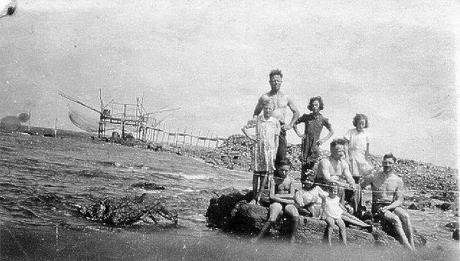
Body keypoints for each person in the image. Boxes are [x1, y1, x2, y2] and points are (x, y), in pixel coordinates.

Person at [360, 153, 415, 251]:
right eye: (385, 162)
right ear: (382, 163)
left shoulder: (398, 180)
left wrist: (389, 207)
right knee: (396, 219)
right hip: (378, 206)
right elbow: (360, 186)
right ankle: (408, 248)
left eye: (390, 163)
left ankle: (413, 246)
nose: (387, 165)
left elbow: (399, 200)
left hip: (391, 205)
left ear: (394, 164)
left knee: (406, 216)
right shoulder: (374, 176)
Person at [253, 69, 300, 167]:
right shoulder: (264, 97)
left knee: (281, 156)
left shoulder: (286, 97)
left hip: (281, 128)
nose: (276, 82)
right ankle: (265, 181)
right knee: (267, 156)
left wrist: (290, 125)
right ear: (270, 82)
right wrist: (258, 128)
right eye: (273, 80)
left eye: (278, 80)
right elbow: (256, 114)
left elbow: (296, 112)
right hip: (267, 128)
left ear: (281, 82)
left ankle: (278, 181)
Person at [242, 99, 280, 204]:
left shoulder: (275, 122)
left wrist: (275, 153)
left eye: (270, 109)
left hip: (269, 150)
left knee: (265, 174)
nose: (267, 110)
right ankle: (254, 197)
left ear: (273, 110)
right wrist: (251, 137)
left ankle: (259, 196)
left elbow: (276, 139)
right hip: (259, 148)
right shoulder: (258, 119)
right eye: (266, 108)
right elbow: (244, 128)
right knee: (256, 173)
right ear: (263, 109)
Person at [254, 159, 299, 243]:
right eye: (282, 170)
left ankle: (292, 239)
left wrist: (277, 196)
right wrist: (284, 200)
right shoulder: (274, 180)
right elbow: (271, 196)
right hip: (278, 203)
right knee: (272, 218)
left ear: (289, 169)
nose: (284, 173)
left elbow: (292, 195)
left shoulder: (291, 180)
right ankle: (258, 237)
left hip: (287, 203)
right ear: (278, 168)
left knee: (296, 216)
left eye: (286, 170)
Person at [293, 96, 334, 187]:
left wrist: (323, 140)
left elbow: (331, 131)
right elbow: (294, 123)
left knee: (312, 168)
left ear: (320, 106)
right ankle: (303, 188)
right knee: (304, 167)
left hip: (315, 145)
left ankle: (312, 188)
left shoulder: (323, 119)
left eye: (316, 105)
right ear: (310, 107)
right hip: (305, 145)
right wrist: (299, 134)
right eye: (313, 105)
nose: (314, 107)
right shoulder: (306, 117)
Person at [343, 113, 373, 214]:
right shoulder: (351, 132)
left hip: (361, 157)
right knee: (351, 178)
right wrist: (346, 156)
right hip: (352, 156)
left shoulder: (366, 134)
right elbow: (346, 145)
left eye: (363, 123)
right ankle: (348, 201)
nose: (361, 125)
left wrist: (366, 160)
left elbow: (367, 149)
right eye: (359, 123)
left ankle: (358, 202)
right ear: (356, 123)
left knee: (361, 180)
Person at [314, 139, 356, 208]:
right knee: (336, 186)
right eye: (339, 151)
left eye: (343, 151)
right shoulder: (325, 162)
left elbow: (349, 177)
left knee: (357, 187)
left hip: (338, 186)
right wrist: (343, 184)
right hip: (324, 187)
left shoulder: (343, 163)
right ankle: (339, 208)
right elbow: (327, 179)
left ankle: (353, 208)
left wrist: (352, 183)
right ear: (332, 151)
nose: (342, 154)